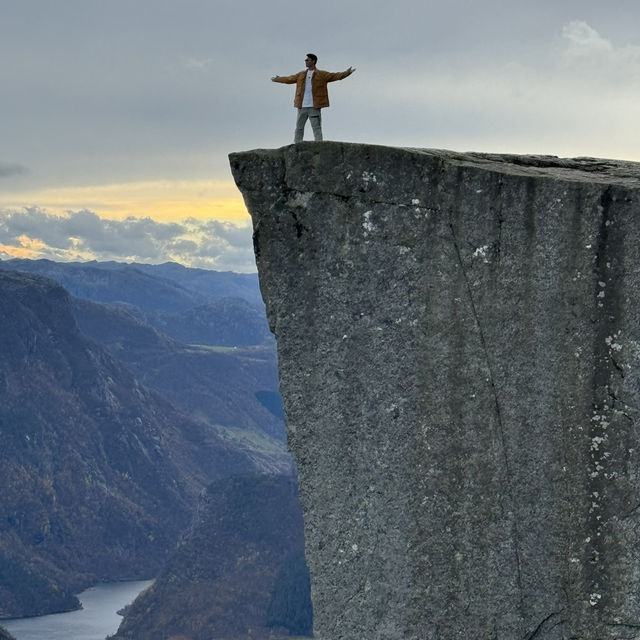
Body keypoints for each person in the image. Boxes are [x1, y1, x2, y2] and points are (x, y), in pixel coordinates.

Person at [271, 54, 355, 143]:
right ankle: (297, 144)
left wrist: (347, 73)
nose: (306, 61)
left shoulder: (321, 74)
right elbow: (289, 79)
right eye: (306, 60)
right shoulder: (301, 74)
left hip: (314, 106)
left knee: (316, 127)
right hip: (301, 105)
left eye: (308, 60)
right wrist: (278, 79)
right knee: (299, 127)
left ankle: (319, 144)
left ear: (313, 61)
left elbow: (335, 76)